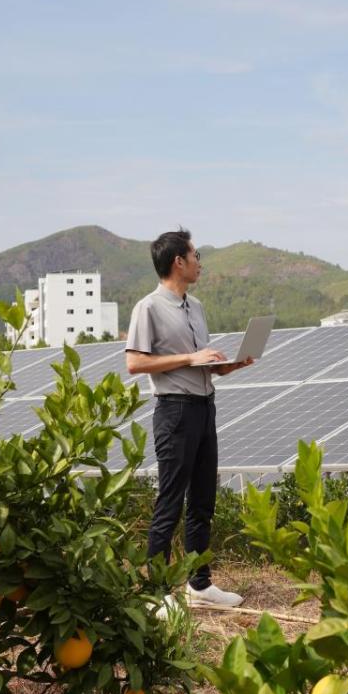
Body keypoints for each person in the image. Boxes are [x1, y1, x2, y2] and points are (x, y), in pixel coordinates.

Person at [125, 228, 253, 607]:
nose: (200, 263)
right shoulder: (147, 307)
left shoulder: (195, 308)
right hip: (174, 411)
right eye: (196, 255)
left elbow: (201, 366)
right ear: (178, 261)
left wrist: (231, 366)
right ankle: (157, 594)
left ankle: (199, 585)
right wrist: (190, 359)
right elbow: (135, 362)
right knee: (170, 501)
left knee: (202, 501)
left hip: (204, 407)